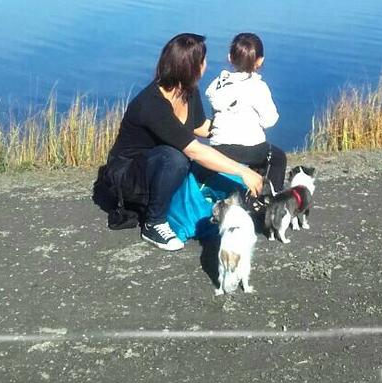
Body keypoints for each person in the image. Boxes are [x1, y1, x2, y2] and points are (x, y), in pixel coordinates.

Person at [97, 33, 264, 252]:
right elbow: (194, 150)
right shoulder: (152, 105)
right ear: (192, 67)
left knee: (205, 164)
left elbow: (200, 127)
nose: (206, 65)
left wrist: (239, 128)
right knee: (175, 157)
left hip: (161, 169)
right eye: (203, 60)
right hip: (129, 177)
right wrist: (243, 171)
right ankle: (154, 223)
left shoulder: (187, 91)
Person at [205, 32, 288, 192]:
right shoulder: (258, 87)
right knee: (278, 158)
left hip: (218, 148)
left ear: (230, 57)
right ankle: (270, 202)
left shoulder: (217, 84)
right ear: (260, 60)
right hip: (250, 148)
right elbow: (270, 120)